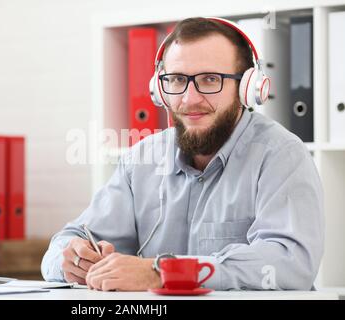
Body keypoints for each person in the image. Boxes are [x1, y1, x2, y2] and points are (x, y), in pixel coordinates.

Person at [41, 17, 324, 291]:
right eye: (176, 80)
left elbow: (290, 264)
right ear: (159, 91)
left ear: (248, 88)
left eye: (210, 79)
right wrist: (71, 259)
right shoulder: (141, 160)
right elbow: (64, 246)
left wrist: (163, 273)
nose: (189, 99)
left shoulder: (282, 156)